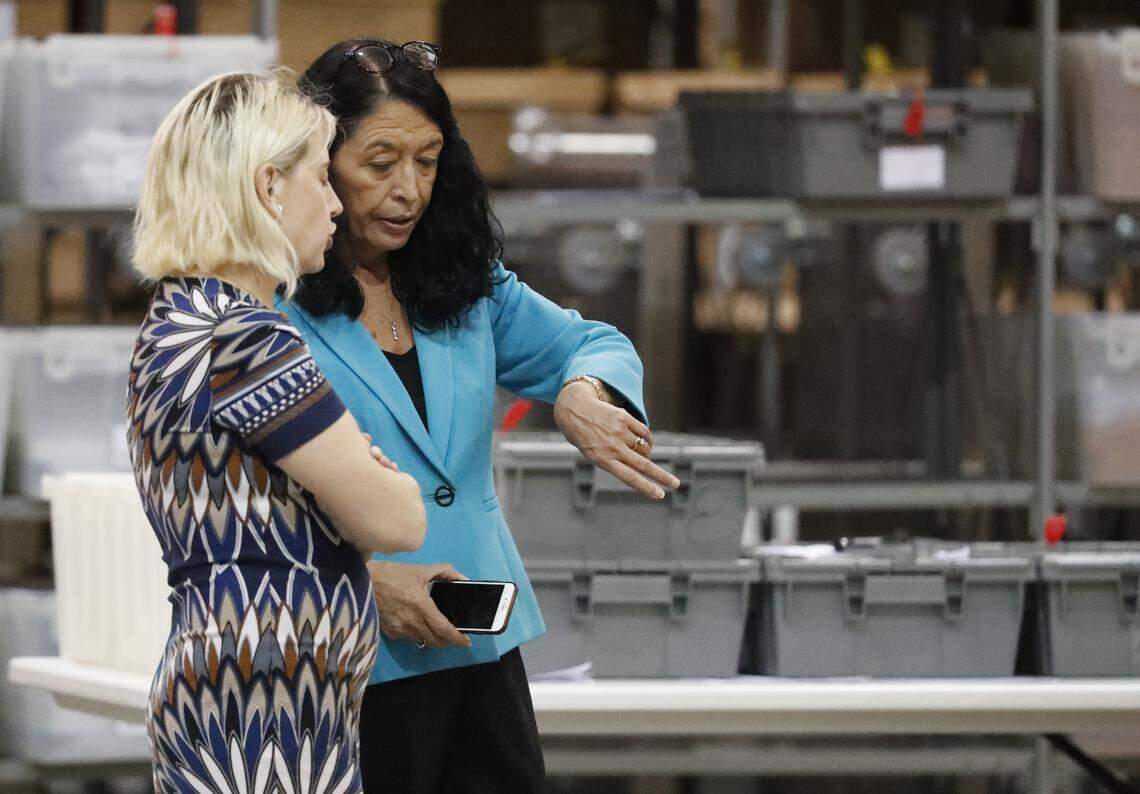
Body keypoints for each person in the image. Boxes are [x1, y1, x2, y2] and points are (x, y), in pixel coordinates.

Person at [281, 39, 681, 793]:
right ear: (318, 165)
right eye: (380, 163)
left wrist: (583, 391)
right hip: (350, 665)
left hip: (481, 654)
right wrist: (359, 586)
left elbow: (592, 343)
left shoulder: (465, 284)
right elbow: (236, 507)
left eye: (428, 162)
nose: (408, 189)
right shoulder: (272, 308)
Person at [127, 70, 427, 792]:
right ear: (267, 189)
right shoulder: (247, 339)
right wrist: (375, 476)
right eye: (321, 179)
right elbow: (396, 519)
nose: (333, 204)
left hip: (242, 702)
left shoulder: (180, 319)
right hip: (266, 718)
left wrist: (354, 474)